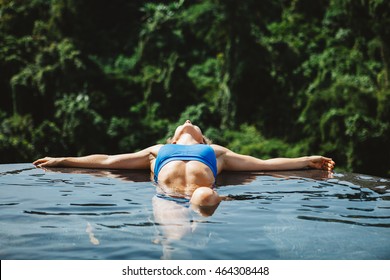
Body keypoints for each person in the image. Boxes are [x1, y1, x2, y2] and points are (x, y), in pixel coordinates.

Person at [33, 120, 335, 208]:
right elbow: (107, 161)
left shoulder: (217, 152)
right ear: (173, 137)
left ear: (202, 139)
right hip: (167, 197)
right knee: (173, 246)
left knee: (201, 198)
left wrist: (305, 160)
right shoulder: (156, 150)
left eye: (193, 123)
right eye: (184, 122)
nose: (188, 121)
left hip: (196, 194)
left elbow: (266, 164)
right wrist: (64, 159)